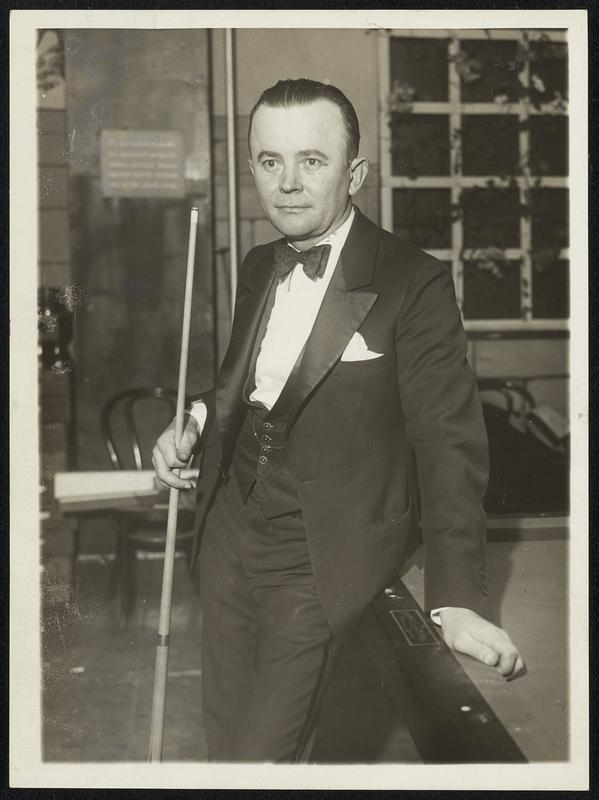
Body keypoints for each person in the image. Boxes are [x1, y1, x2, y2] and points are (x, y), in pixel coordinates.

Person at [152, 78, 524, 762]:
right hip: (230, 534)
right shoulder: (261, 264)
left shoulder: (414, 280)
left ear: (353, 172)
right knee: (224, 744)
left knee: (263, 753)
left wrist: (456, 598)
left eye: (311, 161)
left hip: (322, 553)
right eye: (269, 162)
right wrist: (198, 419)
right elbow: (250, 380)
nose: (287, 184)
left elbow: (447, 441)